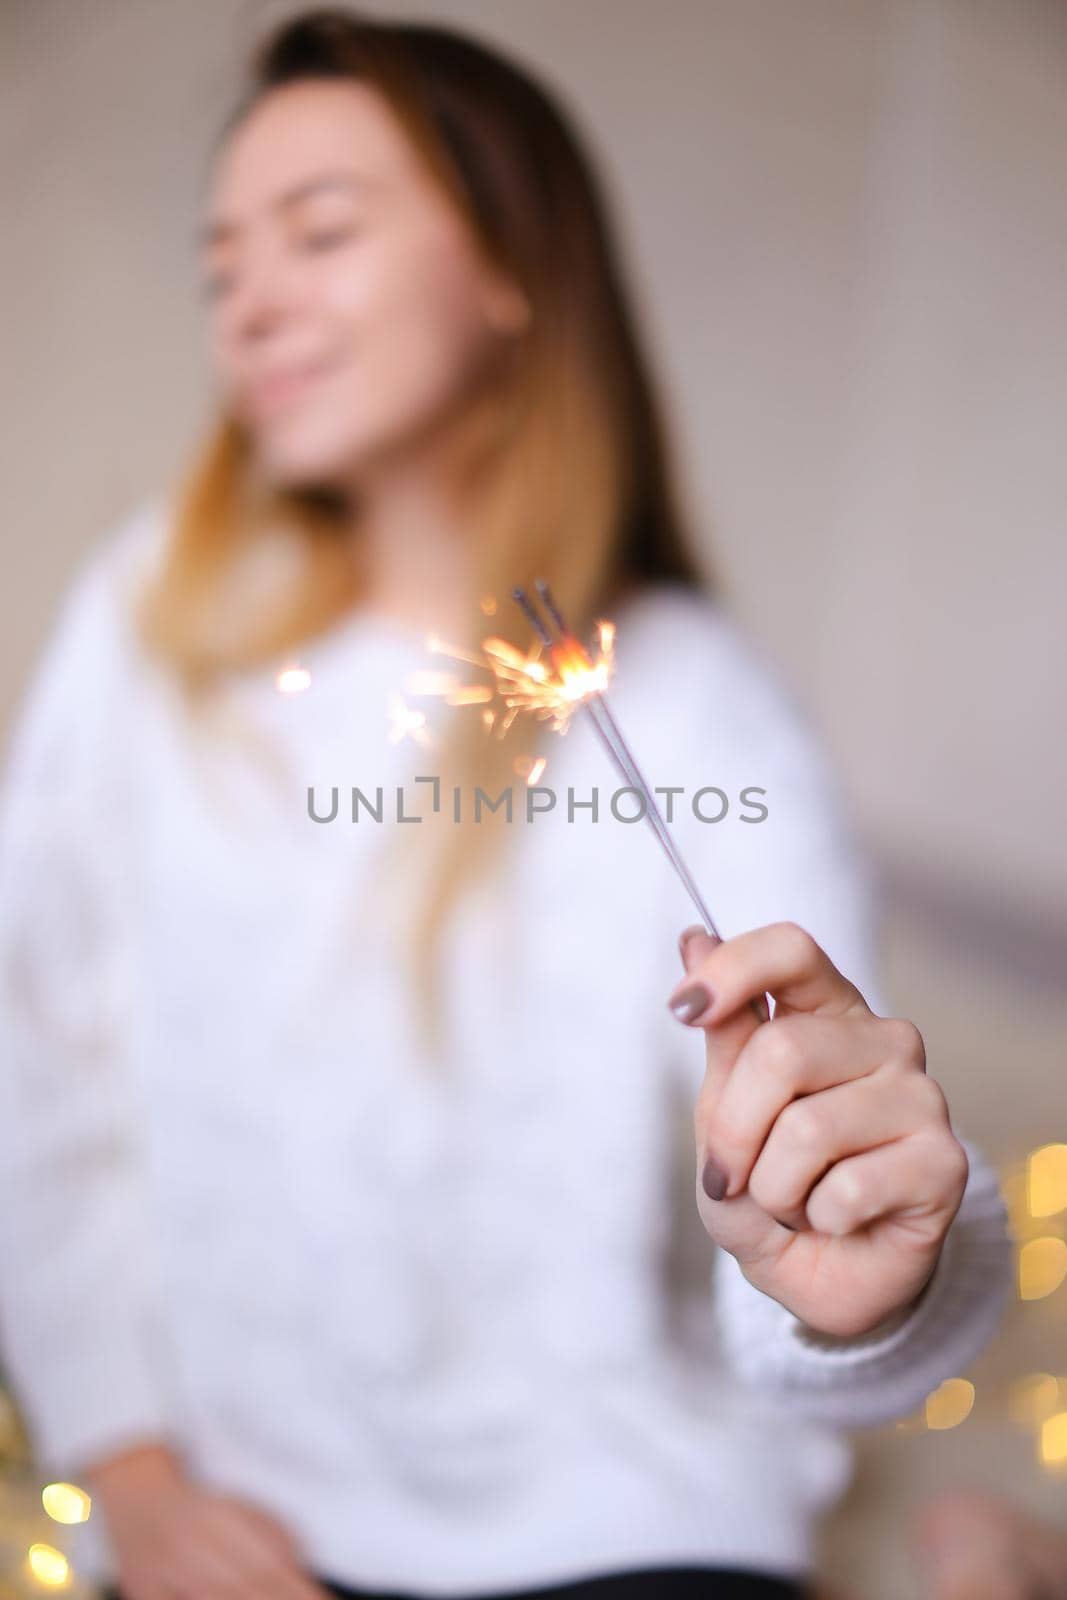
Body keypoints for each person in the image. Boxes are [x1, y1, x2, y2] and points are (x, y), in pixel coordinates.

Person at [0, 10, 1014, 1600]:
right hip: (238, 1517)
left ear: (510, 266)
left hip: (637, 1520)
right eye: (221, 266)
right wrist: (129, 1474)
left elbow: (817, 1235)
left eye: (318, 232)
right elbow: (34, 1072)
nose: (250, 299)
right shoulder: (153, 628)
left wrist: (862, 1287)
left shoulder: (697, 706)